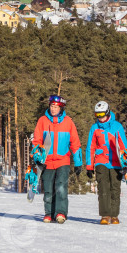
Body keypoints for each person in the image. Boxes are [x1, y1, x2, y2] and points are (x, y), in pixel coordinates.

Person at [31, 94, 83, 224]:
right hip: (47, 161)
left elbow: (75, 143)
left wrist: (78, 162)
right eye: (52, 106)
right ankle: (49, 213)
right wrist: (37, 156)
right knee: (48, 188)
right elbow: (37, 141)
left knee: (61, 187)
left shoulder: (68, 122)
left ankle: (60, 213)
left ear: (61, 108)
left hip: (63, 161)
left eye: (56, 107)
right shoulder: (42, 121)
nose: (53, 109)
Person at [86, 100, 127, 225]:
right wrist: (89, 166)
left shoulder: (117, 127)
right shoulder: (94, 128)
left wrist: (125, 164)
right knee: (103, 188)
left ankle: (114, 215)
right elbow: (90, 147)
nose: (100, 118)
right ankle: (105, 214)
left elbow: (124, 146)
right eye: (97, 115)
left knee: (115, 188)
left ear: (108, 112)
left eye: (102, 115)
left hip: (116, 163)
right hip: (101, 162)